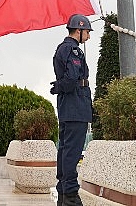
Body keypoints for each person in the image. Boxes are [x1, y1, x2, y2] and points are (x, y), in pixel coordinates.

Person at [49, 14, 93, 206]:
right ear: (79, 30)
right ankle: (71, 196)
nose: (88, 37)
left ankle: (63, 193)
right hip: (75, 104)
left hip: (68, 105)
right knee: (72, 152)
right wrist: (61, 86)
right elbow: (72, 78)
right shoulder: (72, 50)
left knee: (65, 150)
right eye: (87, 32)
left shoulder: (62, 49)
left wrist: (59, 87)